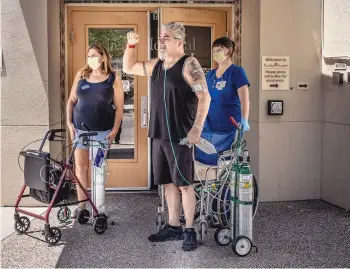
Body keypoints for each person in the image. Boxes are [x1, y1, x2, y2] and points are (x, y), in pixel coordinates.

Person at [123, 22, 211, 251]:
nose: (161, 41)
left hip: (180, 135)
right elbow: (129, 67)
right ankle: (173, 226)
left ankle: (189, 229)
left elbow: (205, 98)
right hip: (159, 134)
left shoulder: (188, 64)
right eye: (160, 38)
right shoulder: (157, 65)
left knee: (184, 184)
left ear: (179, 42)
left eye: (167, 37)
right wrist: (131, 44)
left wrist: (197, 128)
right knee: (168, 184)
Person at [66, 44, 124, 217]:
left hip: (103, 132)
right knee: (81, 168)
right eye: (89, 55)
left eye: (94, 55)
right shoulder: (81, 76)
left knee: (98, 168)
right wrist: (69, 123)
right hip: (80, 131)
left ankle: (99, 208)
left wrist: (115, 129)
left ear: (103, 57)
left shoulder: (113, 78)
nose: (91, 59)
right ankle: (82, 206)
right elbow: (71, 100)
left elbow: (119, 108)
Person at [195, 37, 250, 166]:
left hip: (229, 126)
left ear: (229, 51)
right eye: (214, 50)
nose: (216, 53)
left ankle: (227, 186)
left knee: (225, 162)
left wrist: (244, 119)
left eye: (219, 50)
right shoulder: (210, 75)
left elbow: (244, 98)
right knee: (206, 162)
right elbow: (203, 98)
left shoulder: (237, 72)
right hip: (208, 126)